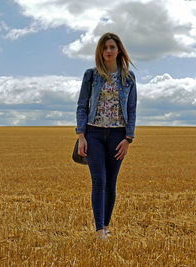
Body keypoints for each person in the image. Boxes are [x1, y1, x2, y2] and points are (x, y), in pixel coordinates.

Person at [75, 32, 137, 240]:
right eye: (104, 48)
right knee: (99, 180)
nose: (108, 51)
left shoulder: (128, 78)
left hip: (118, 136)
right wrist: (81, 135)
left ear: (119, 50)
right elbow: (82, 106)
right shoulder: (91, 75)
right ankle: (99, 230)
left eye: (112, 47)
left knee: (111, 182)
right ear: (100, 52)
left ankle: (107, 226)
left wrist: (128, 139)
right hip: (93, 133)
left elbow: (132, 109)